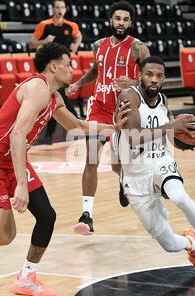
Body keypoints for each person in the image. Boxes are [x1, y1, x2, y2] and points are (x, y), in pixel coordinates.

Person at [0, 43, 131, 296]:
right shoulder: (36, 88)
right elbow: (16, 135)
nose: (73, 69)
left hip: (14, 160)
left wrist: (114, 129)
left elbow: (79, 126)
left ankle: (26, 277)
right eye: (68, 64)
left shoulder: (54, 97)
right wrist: (22, 186)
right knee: (4, 235)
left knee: (47, 216)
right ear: (53, 66)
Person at [113, 56, 195, 272]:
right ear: (140, 76)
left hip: (160, 161)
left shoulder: (162, 99)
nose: (154, 80)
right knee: (169, 244)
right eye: (149, 75)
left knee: (179, 196)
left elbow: (169, 132)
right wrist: (172, 126)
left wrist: (185, 138)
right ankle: (191, 243)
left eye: (159, 76)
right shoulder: (128, 97)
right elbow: (134, 137)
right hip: (135, 175)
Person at [66, 1, 150, 235]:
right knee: (91, 157)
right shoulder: (98, 45)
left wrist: (133, 82)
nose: (121, 23)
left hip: (125, 110)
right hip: (99, 107)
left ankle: (124, 179)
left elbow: (151, 78)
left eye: (125, 19)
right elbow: (96, 70)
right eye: (117, 18)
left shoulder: (139, 48)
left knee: (117, 162)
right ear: (110, 20)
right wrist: (78, 84)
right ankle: (86, 215)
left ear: (130, 23)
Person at [29, 0, 81, 145]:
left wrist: (75, 45)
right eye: (57, 7)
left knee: (55, 99)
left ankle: (51, 133)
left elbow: (79, 36)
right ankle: (76, 126)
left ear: (65, 9)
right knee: (57, 98)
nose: (60, 9)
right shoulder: (45, 25)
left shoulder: (71, 26)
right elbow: (31, 43)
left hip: (64, 69)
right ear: (53, 9)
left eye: (62, 7)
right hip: (49, 69)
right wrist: (44, 41)